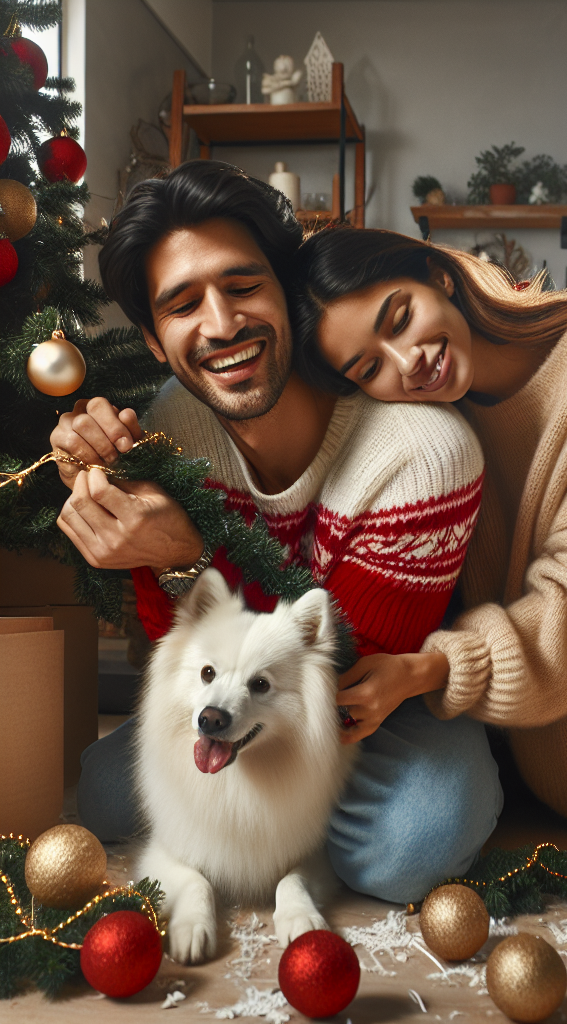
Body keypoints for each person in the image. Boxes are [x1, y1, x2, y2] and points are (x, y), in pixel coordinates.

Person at [50, 161, 500, 904]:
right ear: (155, 341)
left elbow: (346, 665)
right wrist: (151, 546)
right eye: (183, 304)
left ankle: (298, 822)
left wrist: (189, 555)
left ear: (287, 293)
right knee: (103, 795)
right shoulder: (166, 431)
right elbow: (182, 644)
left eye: (243, 285)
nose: (223, 325)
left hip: (375, 702)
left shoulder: (423, 449)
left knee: (410, 845)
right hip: (240, 696)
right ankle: (282, 820)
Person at [287, 226, 567, 847]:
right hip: (429, 711)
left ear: (439, 275)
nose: (409, 363)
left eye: (401, 317)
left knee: (409, 841)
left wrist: (427, 668)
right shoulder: (404, 418)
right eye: (370, 366)